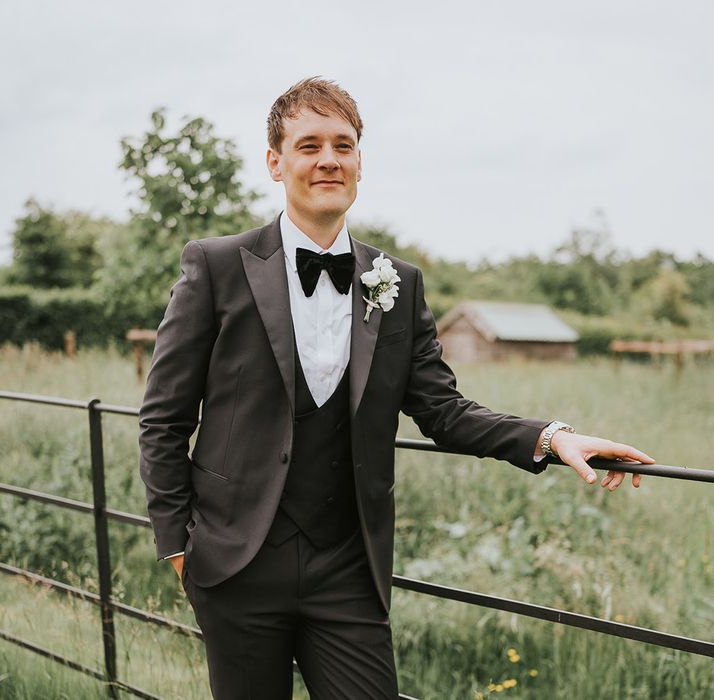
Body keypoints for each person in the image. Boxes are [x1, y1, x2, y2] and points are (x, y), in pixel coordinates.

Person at [138, 77, 653, 699]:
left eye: (343, 145)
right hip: (235, 563)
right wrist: (179, 548)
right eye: (309, 145)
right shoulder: (216, 266)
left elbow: (442, 410)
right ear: (276, 162)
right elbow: (163, 419)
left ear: (360, 161)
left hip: (347, 569)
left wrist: (552, 437)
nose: (328, 159)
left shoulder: (397, 283)